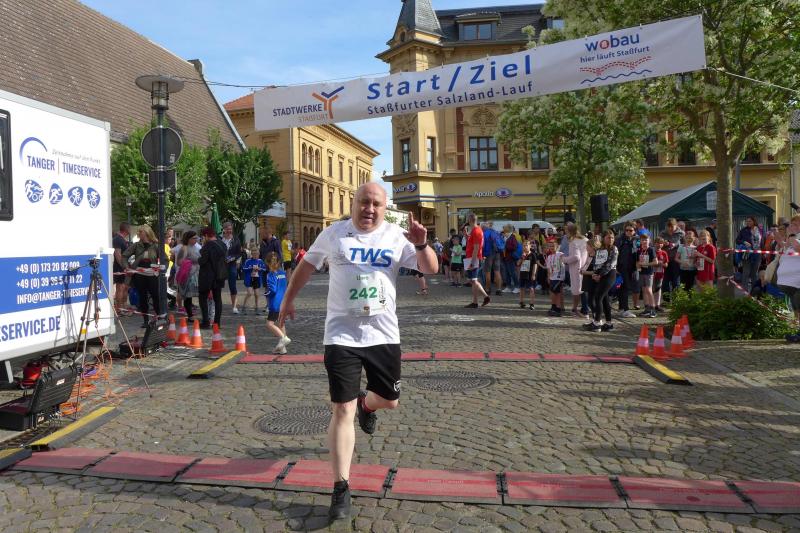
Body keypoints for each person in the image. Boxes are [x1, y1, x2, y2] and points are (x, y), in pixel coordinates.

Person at [277, 182, 437, 520]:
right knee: (341, 409)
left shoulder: (395, 236)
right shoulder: (333, 234)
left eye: (376, 204)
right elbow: (306, 267)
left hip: (383, 334)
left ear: (384, 208)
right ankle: (341, 487)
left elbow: (430, 268)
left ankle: (368, 404)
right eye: (364, 202)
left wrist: (422, 243)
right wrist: (288, 300)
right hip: (341, 335)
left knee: (389, 400)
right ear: (353, 204)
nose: (369, 209)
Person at [122, 225, 166, 328]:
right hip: (139, 275)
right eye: (139, 232)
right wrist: (127, 267)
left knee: (155, 296)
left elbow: (165, 259)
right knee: (142, 297)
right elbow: (124, 256)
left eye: (140, 232)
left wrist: (163, 268)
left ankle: (159, 319)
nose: (138, 234)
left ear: (147, 233)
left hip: (152, 274)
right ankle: (146, 320)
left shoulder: (156, 245)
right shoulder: (136, 245)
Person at [584, 230, 619, 332]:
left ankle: (597, 323)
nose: (611, 239)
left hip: (609, 274)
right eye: (608, 237)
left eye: (612, 238)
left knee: (598, 297)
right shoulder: (600, 249)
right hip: (600, 274)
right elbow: (597, 263)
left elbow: (610, 264)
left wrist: (599, 274)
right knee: (604, 299)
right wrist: (595, 273)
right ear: (603, 238)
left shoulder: (614, 249)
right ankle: (608, 323)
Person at [198, 226, 226, 328]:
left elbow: (202, 261)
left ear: (206, 236)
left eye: (203, 237)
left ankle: (206, 321)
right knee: (218, 299)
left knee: (203, 298)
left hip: (207, 276)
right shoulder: (222, 244)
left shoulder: (207, 246)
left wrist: (198, 259)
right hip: (219, 275)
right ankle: (217, 323)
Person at [777, 215, 800, 341]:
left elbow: (798, 248)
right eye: (792, 224)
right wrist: (780, 239)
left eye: (795, 224)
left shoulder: (795, 238)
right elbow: (786, 248)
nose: (792, 226)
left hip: (798, 281)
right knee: (796, 309)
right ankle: (798, 333)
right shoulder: (794, 238)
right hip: (791, 283)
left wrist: (791, 236)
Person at [264, 252, 290, 353]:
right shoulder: (282, 273)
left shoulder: (270, 275)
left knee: (269, 324)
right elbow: (285, 286)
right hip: (283, 302)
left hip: (275, 303)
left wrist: (266, 294)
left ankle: (283, 338)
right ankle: (283, 348)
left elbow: (273, 290)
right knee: (281, 323)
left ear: (268, 263)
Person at [562, 224, 588, 317]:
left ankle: (579, 310)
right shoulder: (585, 239)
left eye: (566, 231)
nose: (565, 233)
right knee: (583, 289)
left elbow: (576, 257)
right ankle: (583, 310)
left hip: (576, 269)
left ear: (570, 232)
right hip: (585, 267)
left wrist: (564, 259)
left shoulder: (573, 242)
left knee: (577, 290)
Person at [465, 214, 490, 308]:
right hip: (471, 258)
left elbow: (476, 248)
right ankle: (481, 299)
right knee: (472, 280)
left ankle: (478, 300)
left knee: (474, 280)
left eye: (467, 219)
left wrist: (472, 262)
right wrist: (467, 236)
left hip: (473, 258)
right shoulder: (475, 230)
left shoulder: (476, 231)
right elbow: (473, 244)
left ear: (470, 220)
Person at [175, 231, 200, 321]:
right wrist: (191, 261)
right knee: (188, 296)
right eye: (194, 238)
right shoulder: (184, 248)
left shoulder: (195, 247)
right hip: (188, 275)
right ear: (188, 239)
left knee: (191, 296)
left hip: (195, 274)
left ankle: (191, 314)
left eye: (197, 238)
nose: (196, 240)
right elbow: (179, 262)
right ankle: (190, 315)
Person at [615, 223, 639, 318]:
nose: (628, 232)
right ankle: (625, 309)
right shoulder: (620, 240)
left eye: (631, 230)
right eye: (627, 230)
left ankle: (622, 308)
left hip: (632, 268)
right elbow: (616, 253)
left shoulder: (636, 240)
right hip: (622, 267)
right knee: (624, 287)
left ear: (634, 231)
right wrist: (615, 267)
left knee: (624, 288)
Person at [220, 223, 243, 314]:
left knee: (232, 285)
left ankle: (234, 307)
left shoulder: (236, 239)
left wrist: (233, 258)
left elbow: (239, 253)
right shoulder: (220, 239)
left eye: (230, 229)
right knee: (218, 285)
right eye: (227, 229)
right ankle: (217, 304)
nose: (229, 231)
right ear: (224, 229)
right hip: (221, 265)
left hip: (231, 264)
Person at [659, 218, 685, 296]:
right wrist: (663, 244)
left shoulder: (681, 233)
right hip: (665, 260)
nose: (670, 229)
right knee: (665, 280)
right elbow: (657, 244)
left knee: (676, 280)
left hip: (676, 259)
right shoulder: (662, 233)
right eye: (668, 227)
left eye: (672, 227)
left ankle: (676, 299)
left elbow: (685, 245)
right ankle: (666, 299)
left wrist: (676, 244)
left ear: (676, 225)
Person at [736, 216, 762, 292]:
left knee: (754, 273)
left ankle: (755, 292)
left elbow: (762, 241)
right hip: (746, 254)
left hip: (757, 254)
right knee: (746, 272)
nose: (748, 223)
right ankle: (745, 292)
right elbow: (737, 240)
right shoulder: (743, 230)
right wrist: (744, 242)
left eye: (750, 221)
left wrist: (763, 252)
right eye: (747, 221)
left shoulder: (759, 230)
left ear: (754, 221)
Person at [635, 234, 657, 317]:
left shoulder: (651, 249)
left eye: (646, 240)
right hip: (641, 272)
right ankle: (647, 308)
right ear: (640, 241)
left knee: (648, 289)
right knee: (644, 290)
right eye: (642, 240)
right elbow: (637, 262)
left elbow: (656, 262)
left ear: (649, 241)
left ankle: (653, 309)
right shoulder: (639, 250)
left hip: (649, 273)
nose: (644, 241)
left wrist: (645, 264)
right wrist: (638, 266)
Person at [112, 222, 131, 315]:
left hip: (124, 267)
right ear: (126, 229)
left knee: (125, 288)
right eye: (129, 228)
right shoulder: (117, 239)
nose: (130, 230)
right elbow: (118, 255)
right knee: (120, 288)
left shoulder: (122, 239)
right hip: (119, 268)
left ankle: (124, 307)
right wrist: (124, 267)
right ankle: (119, 309)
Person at [241, 247, 267, 314]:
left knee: (257, 294)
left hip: (257, 279)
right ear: (251, 254)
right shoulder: (248, 261)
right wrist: (250, 268)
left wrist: (259, 269)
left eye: (256, 254)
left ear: (259, 254)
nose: (255, 255)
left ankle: (257, 308)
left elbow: (264, 269)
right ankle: (244, 307)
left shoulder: (260, 261)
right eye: (254, 254)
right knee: (249, 293)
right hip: (249, 279)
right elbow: (243, 269)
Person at [481, 222, 504, 295]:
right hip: (497, 253)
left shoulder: (484, 234)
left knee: (488, 272)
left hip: (488, 254)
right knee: (497, 272)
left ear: (484, 228)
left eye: (481, 228)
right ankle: (499, 289)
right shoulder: (496, 232)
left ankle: (488, 289)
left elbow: (483, 245)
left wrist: (482, 254)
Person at [545, 241, 565, 316]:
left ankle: (558, 308)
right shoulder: (549, 257)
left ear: (557, 247)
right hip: (552, 277)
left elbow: (563, 262)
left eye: (553, 246)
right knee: (552, 292)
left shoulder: (560, 254)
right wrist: (548, 277)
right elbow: (548, 268)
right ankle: (554, 307)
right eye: (550, 246)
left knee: (557, 292)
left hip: (559, 277)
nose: (551, 248)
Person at [518, 239, 537, 310]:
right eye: (524, 245)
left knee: (531, 288)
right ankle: (521, 302)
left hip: (530, 274)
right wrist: (522, 258)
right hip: (523, 273)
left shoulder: (533, 255)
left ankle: (532, 303)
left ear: (530, 246)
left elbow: (535, 265)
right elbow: (518, 264)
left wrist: (533, 274)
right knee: (521, 288)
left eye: (526, 245)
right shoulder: (522, 254)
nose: (525, 247)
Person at [501, 224, 520, 294]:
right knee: (507, 273)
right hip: (505, 258)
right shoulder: (506, 237)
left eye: (505, 229)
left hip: (511, 258)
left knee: (513, 273)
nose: (503, 230)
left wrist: (505, 246)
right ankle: (508, 287)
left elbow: (514, 247)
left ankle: (517, 287)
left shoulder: (512, 237)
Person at [652, 238, 669, 312]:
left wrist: (662, 264)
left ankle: (657, 305)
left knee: (658, 288)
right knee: (652, 288)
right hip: (651, 273)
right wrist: (655, 263)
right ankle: (651, 304)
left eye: (661, 243)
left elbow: (666, 264)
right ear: (654, 243)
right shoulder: (651, 251)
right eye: (658, 243)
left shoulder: (664, 253)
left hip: (660, 273)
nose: (659, 245)